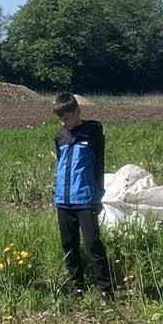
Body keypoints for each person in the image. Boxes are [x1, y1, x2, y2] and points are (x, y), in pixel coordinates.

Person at [50, 94, 114, 302]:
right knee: (68, 244)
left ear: (78, 111)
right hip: (63, 199)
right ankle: (76, 285)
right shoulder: (60, 137)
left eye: (67, 118)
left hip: (85, 197)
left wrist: (99, 193)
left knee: (92, 243)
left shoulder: (93, 132)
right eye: (61, 119)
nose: (64, 123)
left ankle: (105, 288)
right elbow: (61, 164)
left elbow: (99, 165)